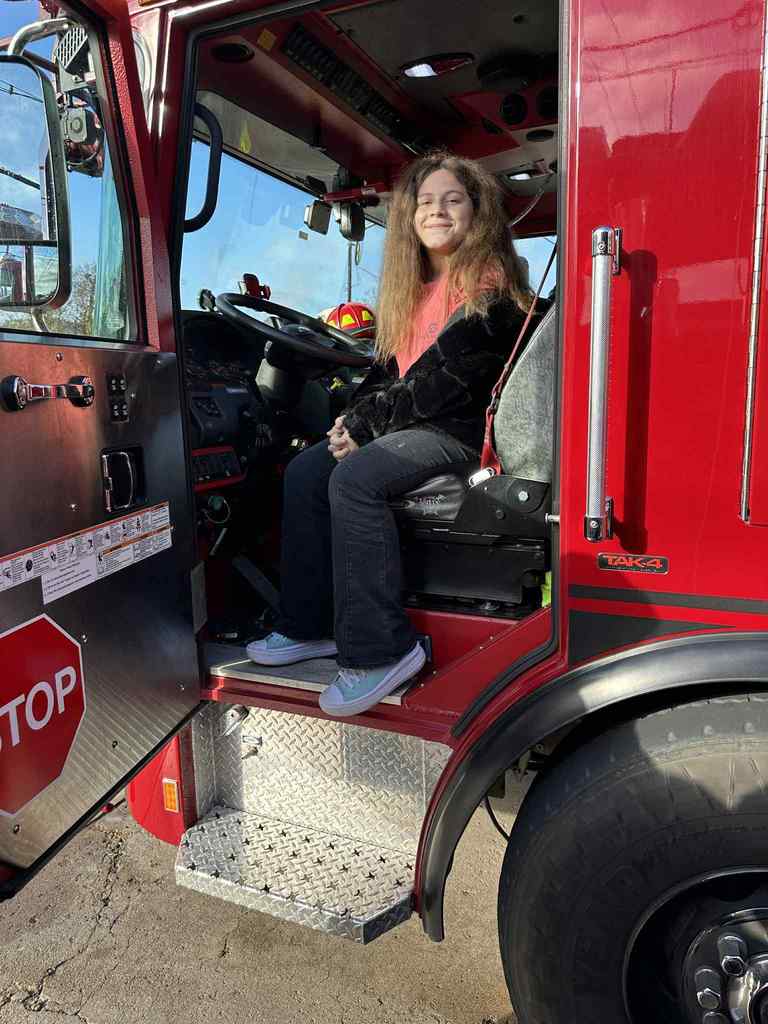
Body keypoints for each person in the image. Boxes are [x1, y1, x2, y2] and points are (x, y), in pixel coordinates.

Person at [247, 151, 542, 717]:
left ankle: (382, 649)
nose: (437, 211)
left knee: (356, 478)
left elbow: (448, 385)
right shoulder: (416, 290)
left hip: (460, 432)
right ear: (409, 217)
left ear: (476, 212)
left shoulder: (493, 290)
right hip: (411, 427)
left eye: (453, 199)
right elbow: (388, 372)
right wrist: (347, 422)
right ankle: (309, 624)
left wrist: (363, 428)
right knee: (310, 470)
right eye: (425, 202)